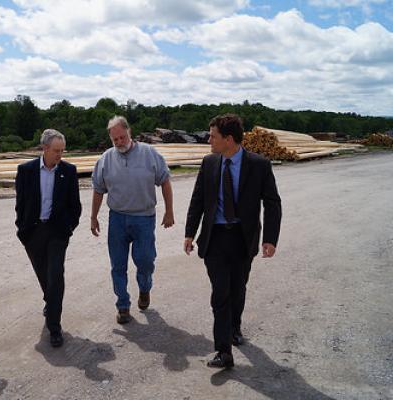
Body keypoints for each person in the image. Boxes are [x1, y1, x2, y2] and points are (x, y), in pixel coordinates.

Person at [184, 113, 282, 369]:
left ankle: (235, 327)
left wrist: (270, 238)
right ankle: (223, 350)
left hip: (242, 238)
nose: (209, 141)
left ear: (228, 139)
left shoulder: (259, 165)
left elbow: (272, 203)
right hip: (214, 238)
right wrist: (189, 233)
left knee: (238, 288)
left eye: (213, 137)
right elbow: (198, 200)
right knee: (220, 293)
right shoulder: (209, 163)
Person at [91, 116, 174, 324]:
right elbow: (98, 190)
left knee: (145, 261)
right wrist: (93, 217)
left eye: (122, 137)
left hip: (144, 218)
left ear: (130, 132)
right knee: (117, 265)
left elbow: (164, 181)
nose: (119, 142)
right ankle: (123, 305)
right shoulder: (106, 159)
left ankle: (145, 289)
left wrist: (169, 211)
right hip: (117, 219)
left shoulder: (149, 154)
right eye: (115, 140)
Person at [15, 129, 81, 347]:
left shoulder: (69, 171)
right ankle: (50, 301)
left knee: (55, 275)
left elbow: (75, 206)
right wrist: (22, 228)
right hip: (33, 232)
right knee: (44, 275)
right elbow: (21, 203)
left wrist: (68, 227)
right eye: (56, 151)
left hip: (57, 232)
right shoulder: (26, 171)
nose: (59, 155)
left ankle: (54, 326)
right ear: (44, 149)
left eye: (62, 151)